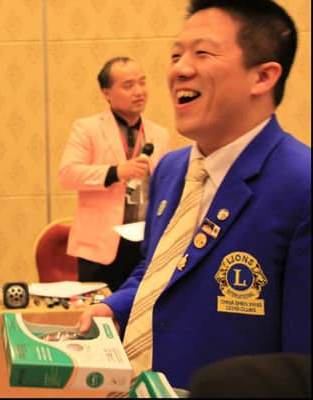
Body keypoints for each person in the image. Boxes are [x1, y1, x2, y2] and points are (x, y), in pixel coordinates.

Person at [77, 0, 310, 391]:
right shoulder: (170, 169)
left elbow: (301, 367)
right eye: (175, 55)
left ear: (263, 77)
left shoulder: (301, 184)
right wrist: (115, 306)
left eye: (203, 53)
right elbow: (158, 267)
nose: (179, 69)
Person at [58, 57, 169, 291]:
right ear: (106, 93)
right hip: (100, 248)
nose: (139, 91)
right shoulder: (87, 128)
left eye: (142, 82)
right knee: (99, 311)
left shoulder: (159, 134)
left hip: (145, 243)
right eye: (128, 85)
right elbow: (68, 174)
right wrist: (115, 172)